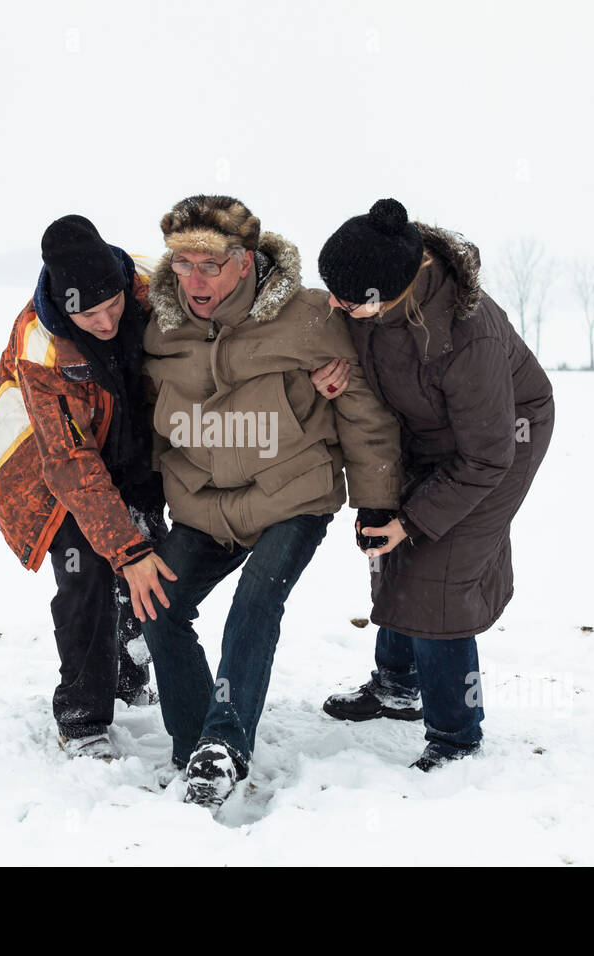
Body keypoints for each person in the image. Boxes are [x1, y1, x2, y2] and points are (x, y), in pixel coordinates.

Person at [140, 194, 404, 807]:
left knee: (255, 602)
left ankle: (225, 744)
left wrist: (376, 503)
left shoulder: (308, 316)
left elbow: (364, 412)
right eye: (181, 263)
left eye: (209, 263)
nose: (193, 279)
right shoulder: (160, 324)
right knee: (158, 603)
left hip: (293, 495)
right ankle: (195, 745)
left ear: (245, 260)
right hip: (203, 502)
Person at [314, 199, 555, 771]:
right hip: (427, 430)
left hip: (502, 440)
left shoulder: (470, 337)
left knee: (438, 577)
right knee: (386, 546)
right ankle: (397, 685)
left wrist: (414, 519)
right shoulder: (368, 298)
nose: (333, 306)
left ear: (390, 293)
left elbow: (486, 455)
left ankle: (455, 736)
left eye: (346, 300)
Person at [0, 215, 177, 760]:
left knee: (146, 551)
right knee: (87, 566)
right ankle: (82, 717)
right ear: (64, 308)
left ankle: (128, 675)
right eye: (89, 314)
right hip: (42, 461)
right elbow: (71, 463)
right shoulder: (39, 348)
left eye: (113, 304)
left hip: (129, 437)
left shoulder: (149, 280)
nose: (108, 319)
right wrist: (125, 549)